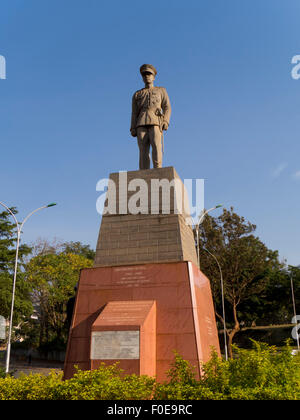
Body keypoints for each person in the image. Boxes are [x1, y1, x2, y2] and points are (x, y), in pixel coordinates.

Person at [130, 64, 171, 169]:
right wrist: (133, 127)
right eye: (144, 75)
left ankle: (158, 169)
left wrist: (165, 121)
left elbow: (167, 107)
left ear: (154, 76)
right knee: (143, 149)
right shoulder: (137, 94)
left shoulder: (161, 91)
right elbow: (134, 112)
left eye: (149, 74)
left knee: (156, 146)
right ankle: (144, 171)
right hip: (141, 122)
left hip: (156, 120)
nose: (147, 76)